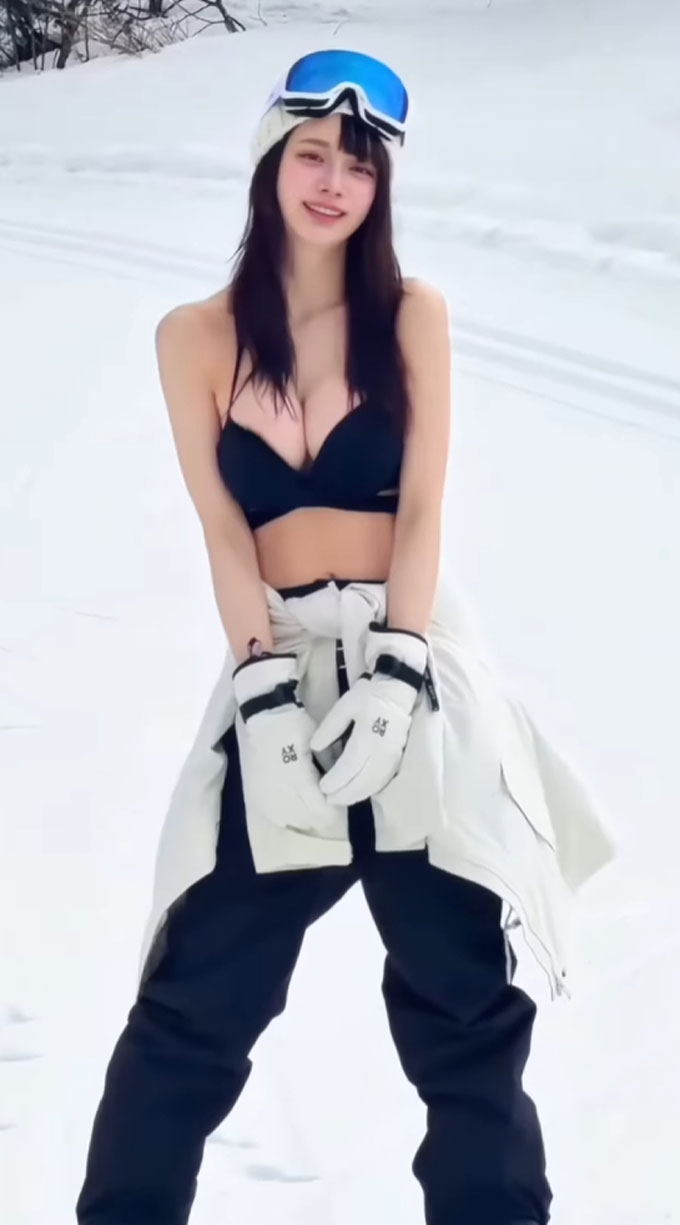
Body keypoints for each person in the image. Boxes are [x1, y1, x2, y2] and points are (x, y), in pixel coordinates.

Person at [76, 49, 615, 1225]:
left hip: (410, 661)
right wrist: (264, 695)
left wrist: (401, 670)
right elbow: (223, 527)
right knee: (194, 999)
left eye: (360, 167)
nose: (333, 183)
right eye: (313, 154)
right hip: (274, 661)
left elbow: (420, 508)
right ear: (270, 159)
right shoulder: (195, 336)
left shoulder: (411, 315)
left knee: (462, 1003)